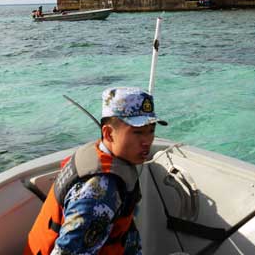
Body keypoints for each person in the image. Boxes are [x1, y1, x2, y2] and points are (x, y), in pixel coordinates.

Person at [25, 87, 167, 255]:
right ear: (108, 134)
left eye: (151, 131)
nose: (147, 141)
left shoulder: (101, 154)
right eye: (137, 132)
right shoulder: (98, 193)